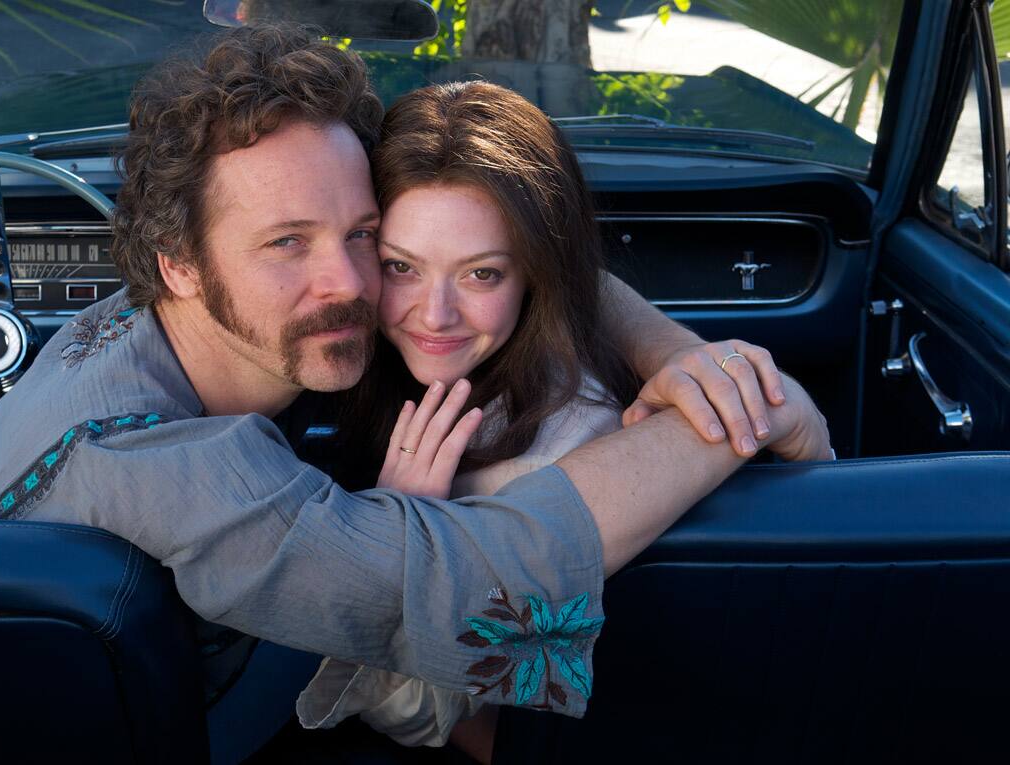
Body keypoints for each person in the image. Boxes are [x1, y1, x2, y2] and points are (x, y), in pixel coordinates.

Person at [0, 23, 831, 758]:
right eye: (286, 244)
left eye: (363, 236)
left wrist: (674, 352)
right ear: (178, 262)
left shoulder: (142, 320)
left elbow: (508, 237)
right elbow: (476, 584)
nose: (349, 284)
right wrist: (742, 412)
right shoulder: (179, 474)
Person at [296, 80, 811, 762]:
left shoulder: (556, 455)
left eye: (481, 274)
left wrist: (401, 537)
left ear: (535, 274)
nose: (435, 314)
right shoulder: (437, 363)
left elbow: (451, 716)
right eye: (402, 266)